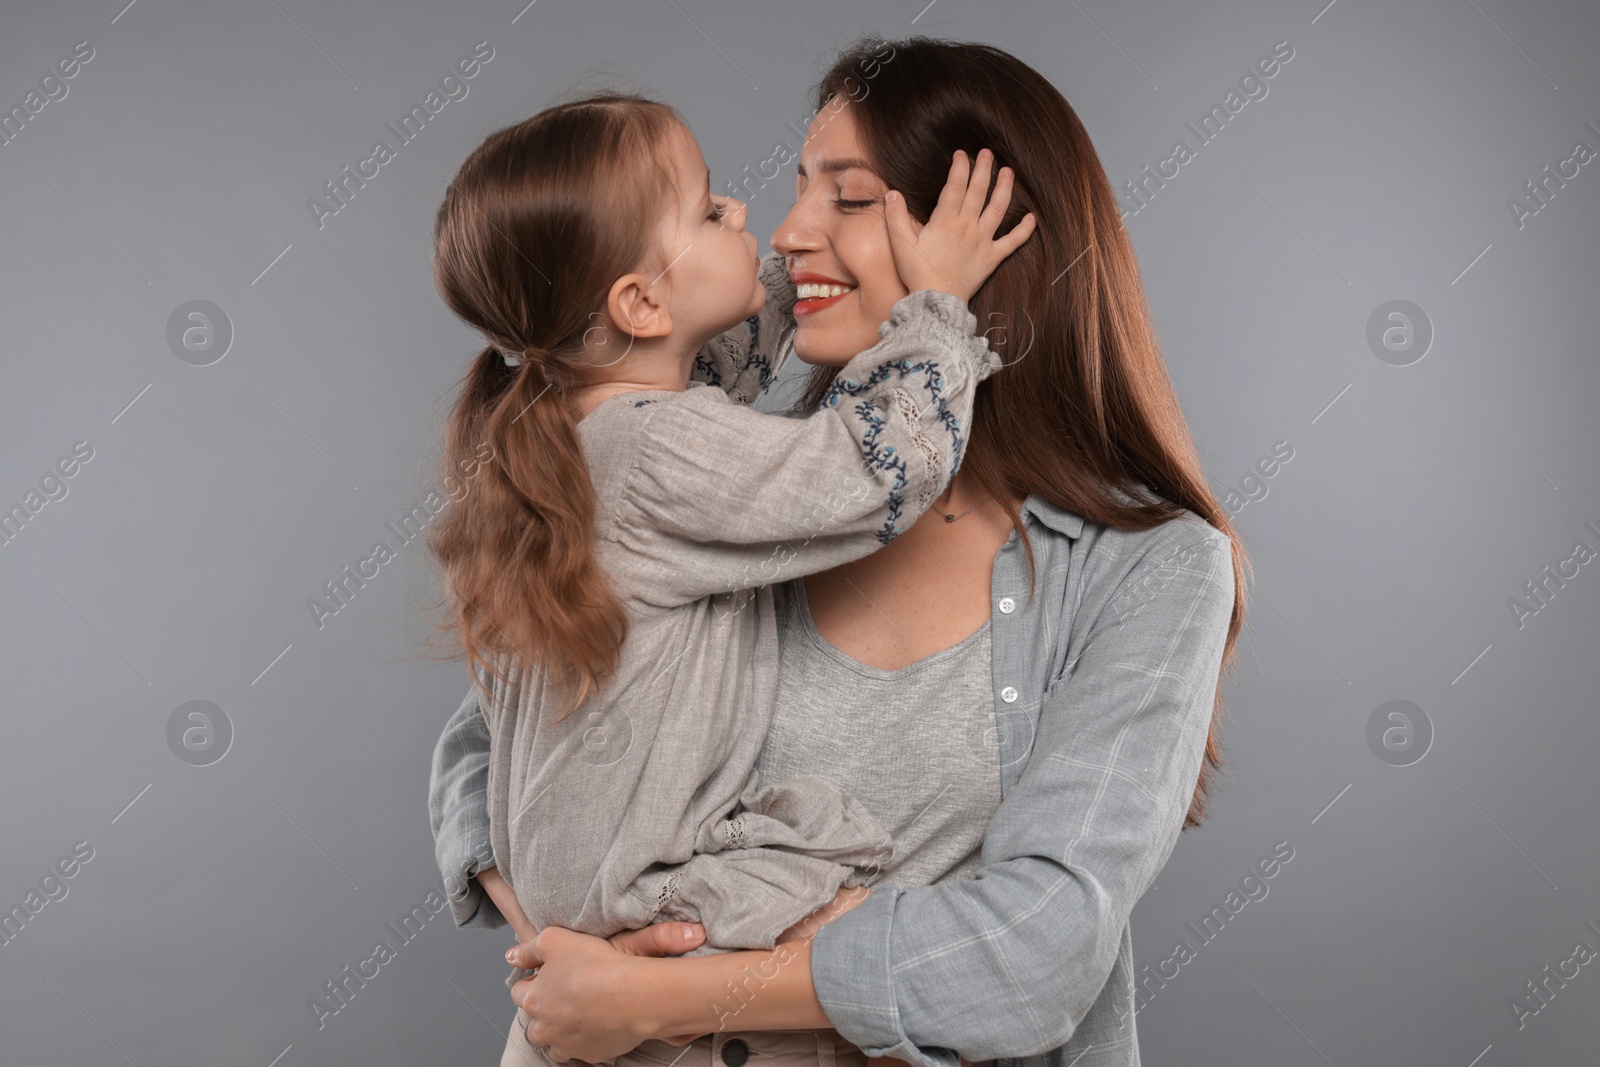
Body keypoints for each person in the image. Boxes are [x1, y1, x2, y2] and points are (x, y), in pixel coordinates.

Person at [433, 36, 1249, 1067]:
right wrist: (571, 946)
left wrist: (651, 990)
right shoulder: (747, 489)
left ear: (988, 241)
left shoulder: (1148, 566)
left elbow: (1036, 949)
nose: (785, 231)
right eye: (793, 189)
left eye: (849, 199)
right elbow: (490, 737)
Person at [423, 87, 1037, 1066]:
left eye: (845, 200)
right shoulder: (658, 450)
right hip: (644, 890)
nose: (752, 218)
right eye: (711, 212)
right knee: (856, 911)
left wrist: (830, 272)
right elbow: (875, 471)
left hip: (577, 896)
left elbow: (724, 355)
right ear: (639, 302)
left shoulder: (591, 420)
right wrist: (935, 305)